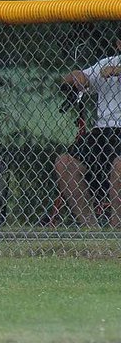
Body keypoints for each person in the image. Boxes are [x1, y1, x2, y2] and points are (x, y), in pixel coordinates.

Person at [54, 36, 121, 228]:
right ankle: (91, 227)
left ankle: (117, 229)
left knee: (119, 165)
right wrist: (77, 76)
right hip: (103, 130)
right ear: (118, 44)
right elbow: (72, 78)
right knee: (64, 163)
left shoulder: (113, 68)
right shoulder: (107, 63)